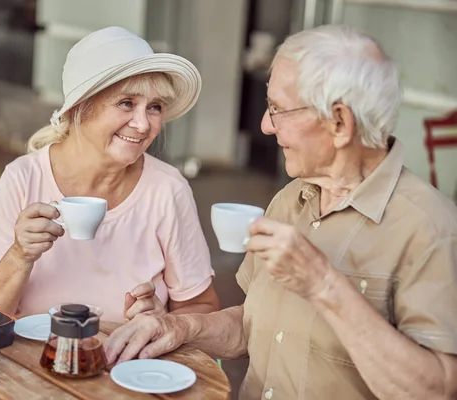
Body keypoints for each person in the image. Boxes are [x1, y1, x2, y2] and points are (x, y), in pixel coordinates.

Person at [104, 25, 457, 400]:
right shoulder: (291, 200)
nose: (265, 126)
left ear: (339, 123)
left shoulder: (430, 228)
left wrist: (325, 286)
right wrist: (180, 327)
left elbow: (437, 389)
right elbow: (251, 326)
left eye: (277, 109)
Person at [0, 26, 220, 323]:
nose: (144, 124)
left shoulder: (167, 190)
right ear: (80, 108)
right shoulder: (23, 178)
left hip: (127, 367)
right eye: (126, 103)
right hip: (29, 365)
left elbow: (202, 308)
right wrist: (19, 255)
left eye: (155, 107)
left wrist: (165, 320)